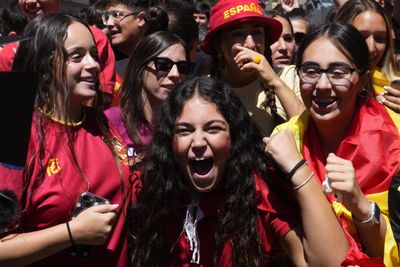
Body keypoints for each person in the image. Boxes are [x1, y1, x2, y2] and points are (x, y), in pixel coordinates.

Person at [128, 76, 349, 266]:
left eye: (213, 129)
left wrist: (298, 171)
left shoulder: (260, 193)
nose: (197, 142)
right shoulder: (150, 191)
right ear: (170, 141)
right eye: (184, 131)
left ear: (234, 137)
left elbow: (330, 262)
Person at [0, 14, 132, 267]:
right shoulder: (12, 127)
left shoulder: (102, 124)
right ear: (45, 62)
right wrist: (71, 233)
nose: (94, 64)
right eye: (77, 56)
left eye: (94, 54)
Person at [272, 22, 400, 266]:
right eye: (310, 71)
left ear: (362, 80)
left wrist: (362, 207)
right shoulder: (285, 143)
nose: (322, 85)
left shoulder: (396, 134)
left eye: (338, 72)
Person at [201, 0, 305, 137]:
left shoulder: (288, 76)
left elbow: (310, 132)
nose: (250, 44)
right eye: (238, 34)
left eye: (257, 32)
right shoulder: (203, 91)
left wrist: (274, 81)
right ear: (218, 45)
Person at [0, 0, 116, 105]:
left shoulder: (95, 38)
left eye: (92, 55)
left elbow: (102, 102)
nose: (29, 1)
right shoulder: (9, 53)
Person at [105, 31, 194, 166]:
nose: (175, 74)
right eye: (163, 65)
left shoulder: (189, 123)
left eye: (183, 67)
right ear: (140, 68)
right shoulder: (110, 121)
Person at [335, 0, 400, 113]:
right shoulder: (321, 82)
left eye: (380, 38)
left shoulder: (395, 88)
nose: (371, 48)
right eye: (361, 37)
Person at [102, 0, 168, 105]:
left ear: (140, 19)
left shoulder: (164, 63)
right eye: (106, 16)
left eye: (117, 15)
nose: (109, 23)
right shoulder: (102, 58)